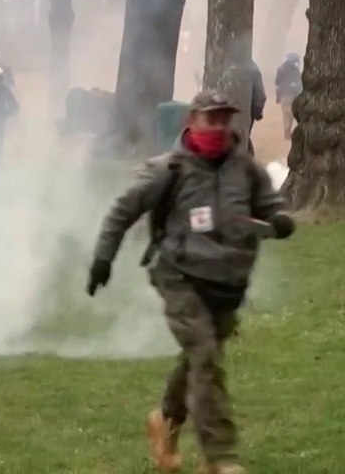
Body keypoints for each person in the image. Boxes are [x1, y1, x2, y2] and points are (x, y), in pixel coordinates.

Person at [85, 90, 294, 474]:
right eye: (210, 118)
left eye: (224, 118)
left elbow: (270, 204)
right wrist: (103, 258)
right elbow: (123, 210)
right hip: (179, 275)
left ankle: (165, 420)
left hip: (228, 283)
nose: (218, 126)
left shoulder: (246, 169)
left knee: (198, 358)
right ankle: (219, 457)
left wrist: (279, 220)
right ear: (191, 120)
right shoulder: (168, 170)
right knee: (205, 356)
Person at [274, 53, 302, 140]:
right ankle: (288, 134)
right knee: (291, 115)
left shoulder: (281, 69)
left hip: (284, 96)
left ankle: (287, 134)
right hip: (293, 95)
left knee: (286, 116)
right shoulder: (295, 70)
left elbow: (277, 82)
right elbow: (299, 82)